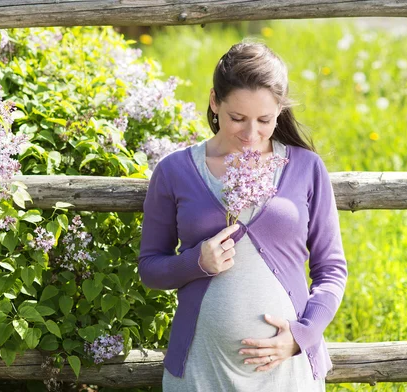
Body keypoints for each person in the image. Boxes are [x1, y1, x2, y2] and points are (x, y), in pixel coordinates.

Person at [137, 40, 348, 391]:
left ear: (279, 111)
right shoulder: (175, 171)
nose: (251, 135)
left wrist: (303, 335)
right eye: (237, 118)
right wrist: (195, 263)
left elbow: (332, 270)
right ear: (214, 102)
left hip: (288, 374)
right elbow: (149, 268)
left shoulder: (306, 168)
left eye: (264, 120)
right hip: (201, 370)